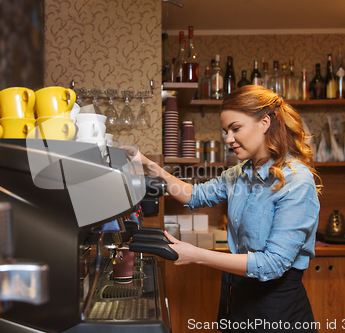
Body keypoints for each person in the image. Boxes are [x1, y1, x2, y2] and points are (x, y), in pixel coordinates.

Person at [124, 85, 322, 332]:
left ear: (264, 122)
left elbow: (273, 264)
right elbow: (193, 196)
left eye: (235, 128)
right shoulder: (239, 174)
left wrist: (196, 255)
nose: (228, 139)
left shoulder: (296, 181)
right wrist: (145, 163)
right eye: (226, 131)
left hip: (278, 309)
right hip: (239, 298)